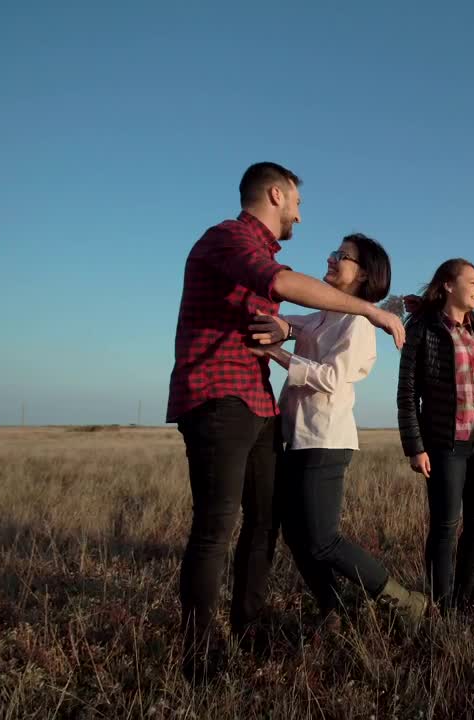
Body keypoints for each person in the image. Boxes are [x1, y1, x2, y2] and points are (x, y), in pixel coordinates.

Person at [166, 162, 405, 682]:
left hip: (258, 404)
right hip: (218, 396)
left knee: (264, 524)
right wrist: (376, 312)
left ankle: (250, 627)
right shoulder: (229, 240)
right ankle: (200, 656)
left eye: (342, 256)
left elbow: (293, 321)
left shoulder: (268, 262)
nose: (300, 212)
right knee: (215, 531)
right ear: (276, 194)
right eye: (297, 201)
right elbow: (285, 291)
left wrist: (289, 334)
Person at [249, 234, 430, 635]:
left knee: (323, 540)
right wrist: (282, 327)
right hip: (295, 436)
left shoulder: (359, 324)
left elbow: (331, 378)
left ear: (363, 273)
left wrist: (276, 352)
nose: (330, 259)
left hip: (325, 440)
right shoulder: (323, 315)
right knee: (297, 537)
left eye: (341, 256)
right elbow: (295, 323)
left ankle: (404, 600)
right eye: (333, 253)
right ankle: (333, 609)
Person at [396, 259, 474, 612]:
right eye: (471, 281)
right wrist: (415, 446)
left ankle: (464, 596)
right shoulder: (423, 328)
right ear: (447, 285)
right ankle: (440, 603)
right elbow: (407, 391)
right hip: (446, 443)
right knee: (444, 525)